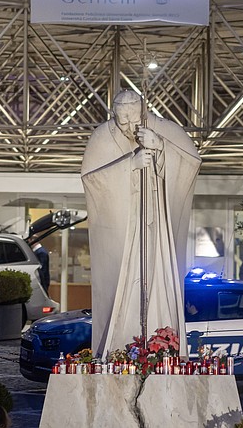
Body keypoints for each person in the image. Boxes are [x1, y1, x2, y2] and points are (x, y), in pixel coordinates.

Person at [80, 89, 201, 357]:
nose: (127, 126)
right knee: (124, 288)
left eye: (132, 119)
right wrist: (130, 165)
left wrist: (161, 148)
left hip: (157, 228)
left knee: (159, 282)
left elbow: (192, 162)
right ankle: (119, 349)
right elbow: (91, 178)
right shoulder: (102, 136)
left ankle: (161, 344)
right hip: (124, 232)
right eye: (120, 120)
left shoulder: (165, 129)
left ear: (143, 111)